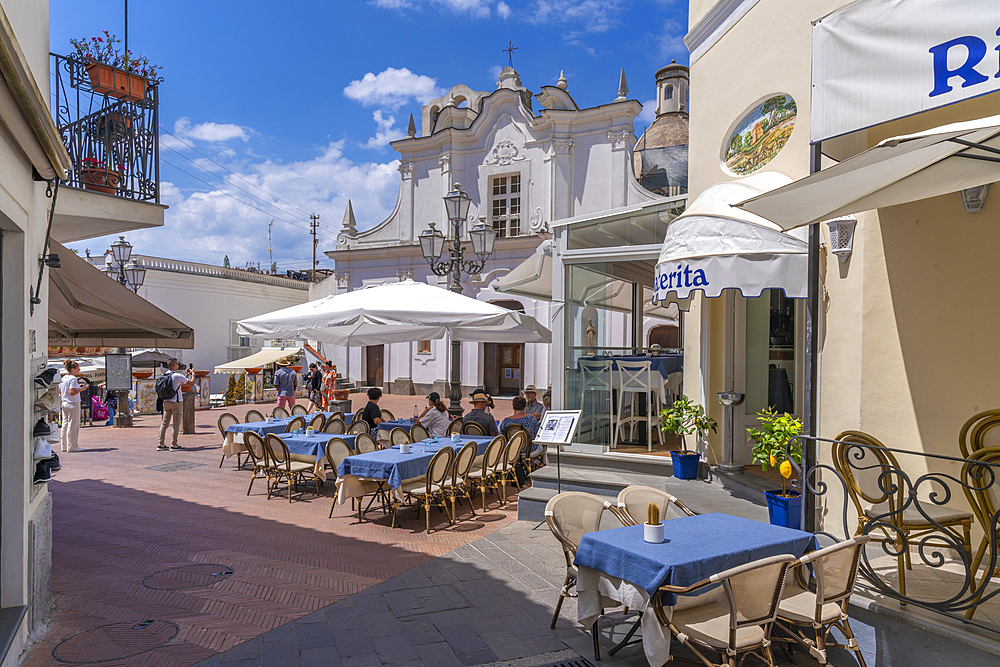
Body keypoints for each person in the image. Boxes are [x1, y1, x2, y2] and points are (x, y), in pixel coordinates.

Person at [158, 359, 194, 451]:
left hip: (166, 402)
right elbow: (191, 383)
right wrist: (193, 374)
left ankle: (161, 444)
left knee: (164, 423)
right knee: (176, 424)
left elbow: (179, 383)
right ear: (174, 365)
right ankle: (174, 444)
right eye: (177, 364)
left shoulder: (164, 375)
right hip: (176, 402)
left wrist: (186, 375)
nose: (178, 366)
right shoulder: (177, 376)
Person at [59, 360, 86, 452]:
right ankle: (72, 446)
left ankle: (64, 446)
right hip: (73, 403)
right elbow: (72, 392)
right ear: (73, 369)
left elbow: (60, 391)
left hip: (64, 402)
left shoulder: (63, 378)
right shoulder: (73, 379)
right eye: (78, 368)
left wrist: (78, 387)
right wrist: (81, 389)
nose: (79, 370)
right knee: (73, 425)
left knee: (65, 424)